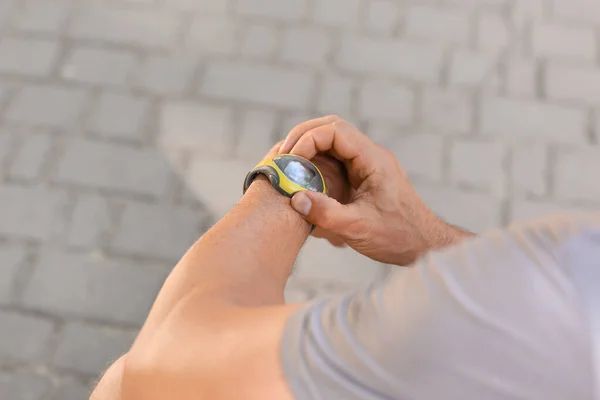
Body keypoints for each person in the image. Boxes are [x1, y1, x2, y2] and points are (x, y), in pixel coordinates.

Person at [91, 115, 597, 400]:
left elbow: (171, 358)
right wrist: (426, 237)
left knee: (122, 384)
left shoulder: (562, 294)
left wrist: (296, 179)